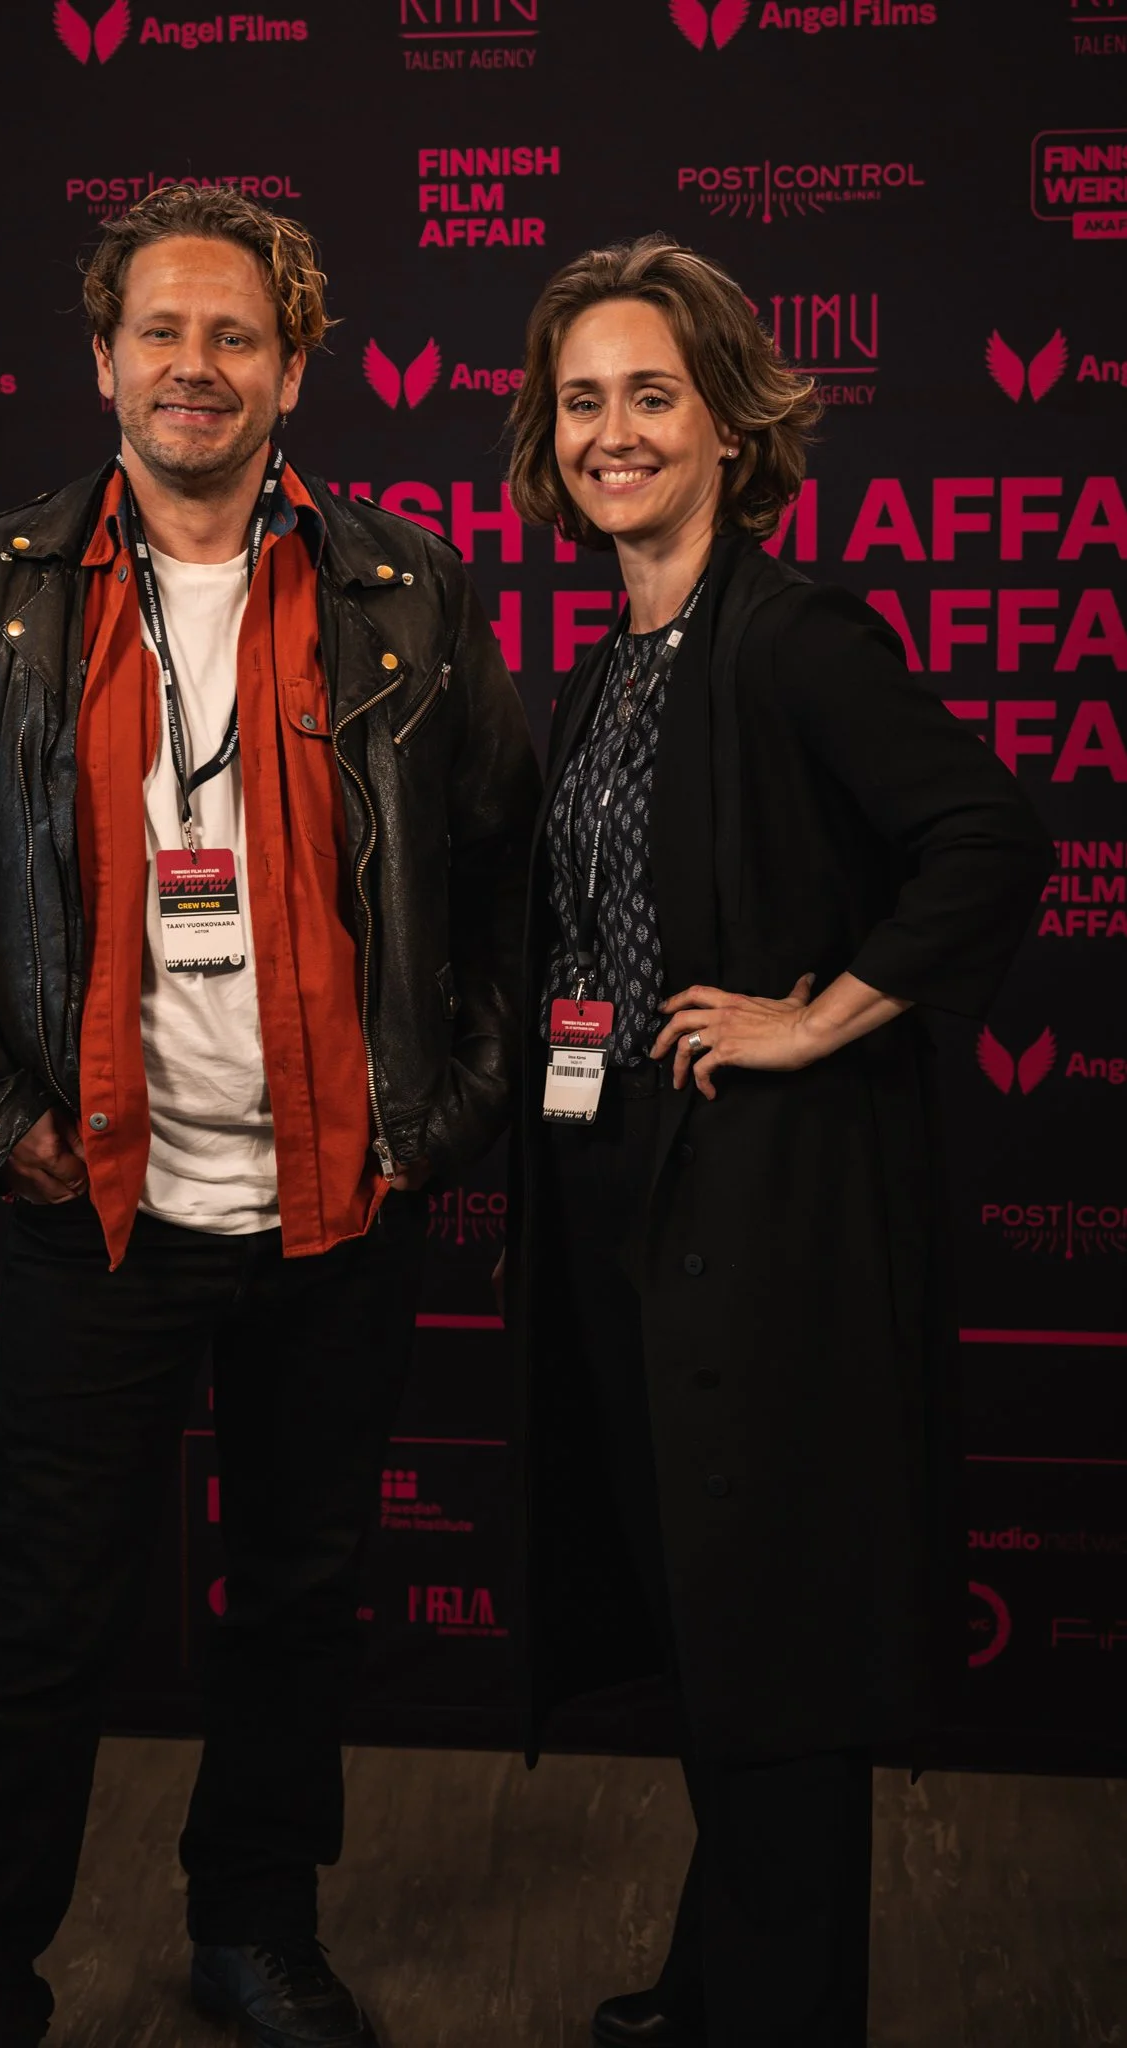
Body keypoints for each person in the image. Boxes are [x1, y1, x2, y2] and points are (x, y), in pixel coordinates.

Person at [0, 183, 538, 2048]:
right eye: (162, 330)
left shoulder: (401, 589)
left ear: (296, 366)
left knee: (301, 1600)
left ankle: (254, 1931)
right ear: (102, 358)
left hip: (338, 1201)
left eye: (237, 335)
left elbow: (500, 870)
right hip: (98, 1199)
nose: (196, 366)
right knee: (42, 1625)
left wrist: (442, 1117)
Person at [504, 236, 1052, 2048]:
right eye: (583, 401)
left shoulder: (794, 633)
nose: (613, 432)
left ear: (733, 423)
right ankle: (733, 1980)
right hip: (633, 1208)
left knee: (780, 1642)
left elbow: (986, 835)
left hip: (777, 1219)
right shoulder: (606, 669)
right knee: (710, 1630)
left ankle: (780, 2013)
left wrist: (819, 1014)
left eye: (651, 395)